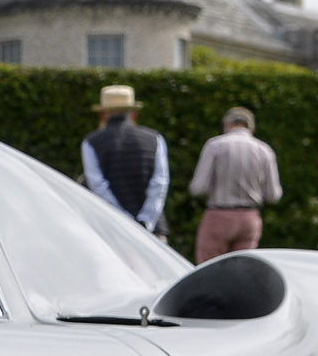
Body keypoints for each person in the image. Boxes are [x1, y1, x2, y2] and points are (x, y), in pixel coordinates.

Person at [188, 104, 282, 262]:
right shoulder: (264, 150)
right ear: (251, 127)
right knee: (241, 269)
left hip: (219, 214)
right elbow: (274, 195)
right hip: (249, 218)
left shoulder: (215, 145)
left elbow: (198, 188)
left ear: (227, 124)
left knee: (209, 268)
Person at [80, 83, 168, 237]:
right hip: (153, 230)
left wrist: (122, 218)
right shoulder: (155, 138)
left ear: (103, 114)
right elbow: (159, 182)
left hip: (109, 229)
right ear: (134, 113)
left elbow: (98, 185)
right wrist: (146, 220)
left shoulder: (91, 142)